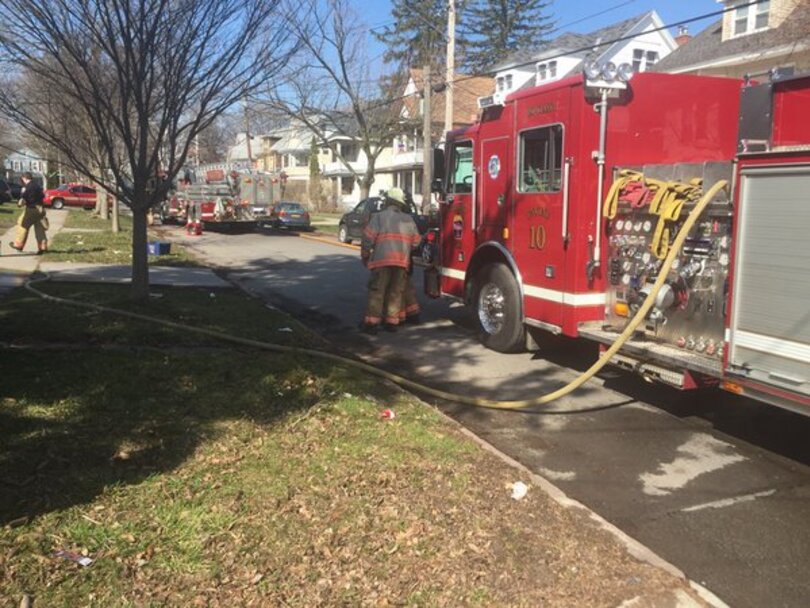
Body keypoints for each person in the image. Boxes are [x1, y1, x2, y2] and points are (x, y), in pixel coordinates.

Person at [360, 187, 421, 334]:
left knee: (377, 291)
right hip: (401, 262)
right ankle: (391, 323)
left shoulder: (379, 217)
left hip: (382, 261)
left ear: (388, 201)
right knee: (396, 293)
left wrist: (365, 254)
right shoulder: (408, 219)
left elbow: (368, 237)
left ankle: (371, 324)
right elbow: (416, 242)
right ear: (400, 203)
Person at [9, 172, 48, 254]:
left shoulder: (27, 187)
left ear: (24, 178)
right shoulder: (37, 186)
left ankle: (18, 245)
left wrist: (19, 203)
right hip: (40, 209)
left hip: (31, 209)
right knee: (39, 229)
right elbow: (43, 196)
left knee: (22, 225)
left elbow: (23, 199)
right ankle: (42, 248)